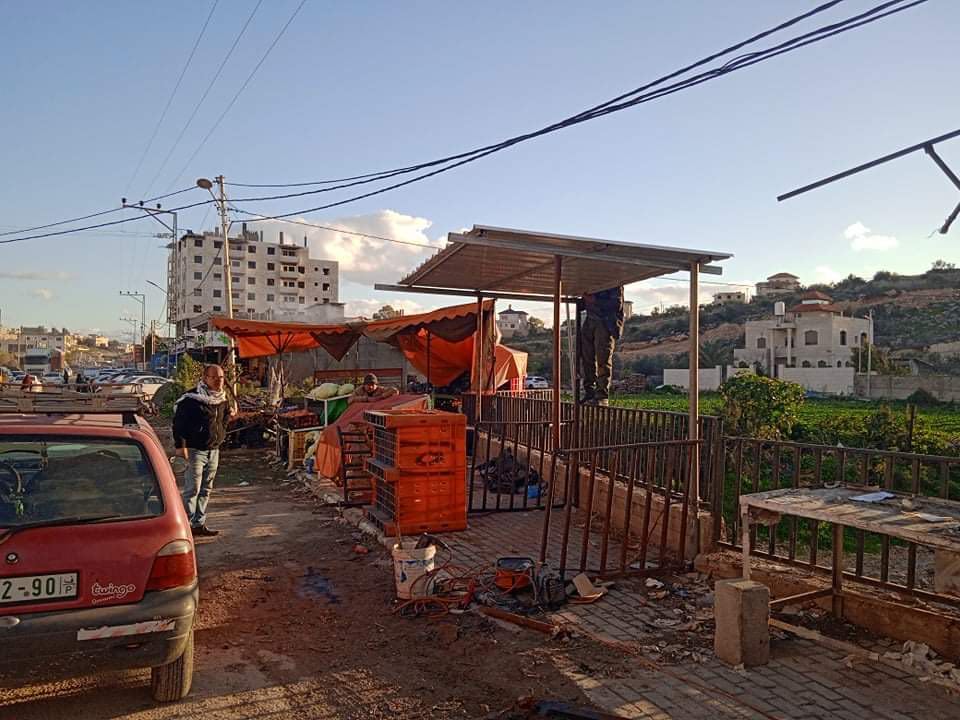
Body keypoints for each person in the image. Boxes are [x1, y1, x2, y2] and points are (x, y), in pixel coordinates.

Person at [172, 364, 233, 537]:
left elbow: (226, 416)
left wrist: (221, 434)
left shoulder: (222, 398)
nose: (218, 381)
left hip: (213, 450)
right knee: (192, 489)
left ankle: (198, 524)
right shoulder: (191, 399)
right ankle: (185, 527)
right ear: (205, 378)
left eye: (221, 377)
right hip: (194, 451)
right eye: (214, 377)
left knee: (206, 489)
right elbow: (179, 425)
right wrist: (180, 447)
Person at [580, 286, 625, 405]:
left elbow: (616, 304)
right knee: (587, 358)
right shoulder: (589, 281)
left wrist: (594, 300)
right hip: (590, 320)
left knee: (603, 359)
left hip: (605, 322)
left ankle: (601, 396)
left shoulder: (613, 282)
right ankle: (590, 392)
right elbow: (583, 304)